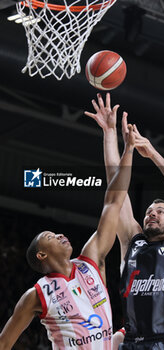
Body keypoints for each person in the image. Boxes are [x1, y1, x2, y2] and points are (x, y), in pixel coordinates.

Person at [0, 125, 136, 350]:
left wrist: (127, 149)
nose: (60, 235)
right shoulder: (36, 294)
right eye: (50, 236)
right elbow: (4, 342)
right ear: (41, 254)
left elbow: (113, 202)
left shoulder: (90, 260)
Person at [85, 93, 164, 350]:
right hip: (132, 342)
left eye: (161, 211)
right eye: (150, 210)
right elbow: (115, 194)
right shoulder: (131, 241)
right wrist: (109, 133)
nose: (152, 212)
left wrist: (152, 154)